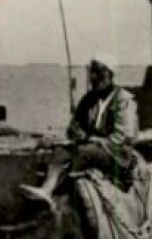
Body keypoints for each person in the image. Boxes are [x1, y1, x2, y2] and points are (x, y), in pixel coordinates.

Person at [20, 53, 139, 206]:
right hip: (89, 147)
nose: (93, 77)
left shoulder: (123, 100)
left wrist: (96, 140)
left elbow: (125, 136)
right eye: (92, 72)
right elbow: (75, 126)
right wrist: (77, 133)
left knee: (83, 152)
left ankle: (56, 186)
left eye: (98, 72)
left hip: (115, 153)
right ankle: (47, 189)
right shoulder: (88, 100)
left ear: (109, 74)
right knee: (60, 151)